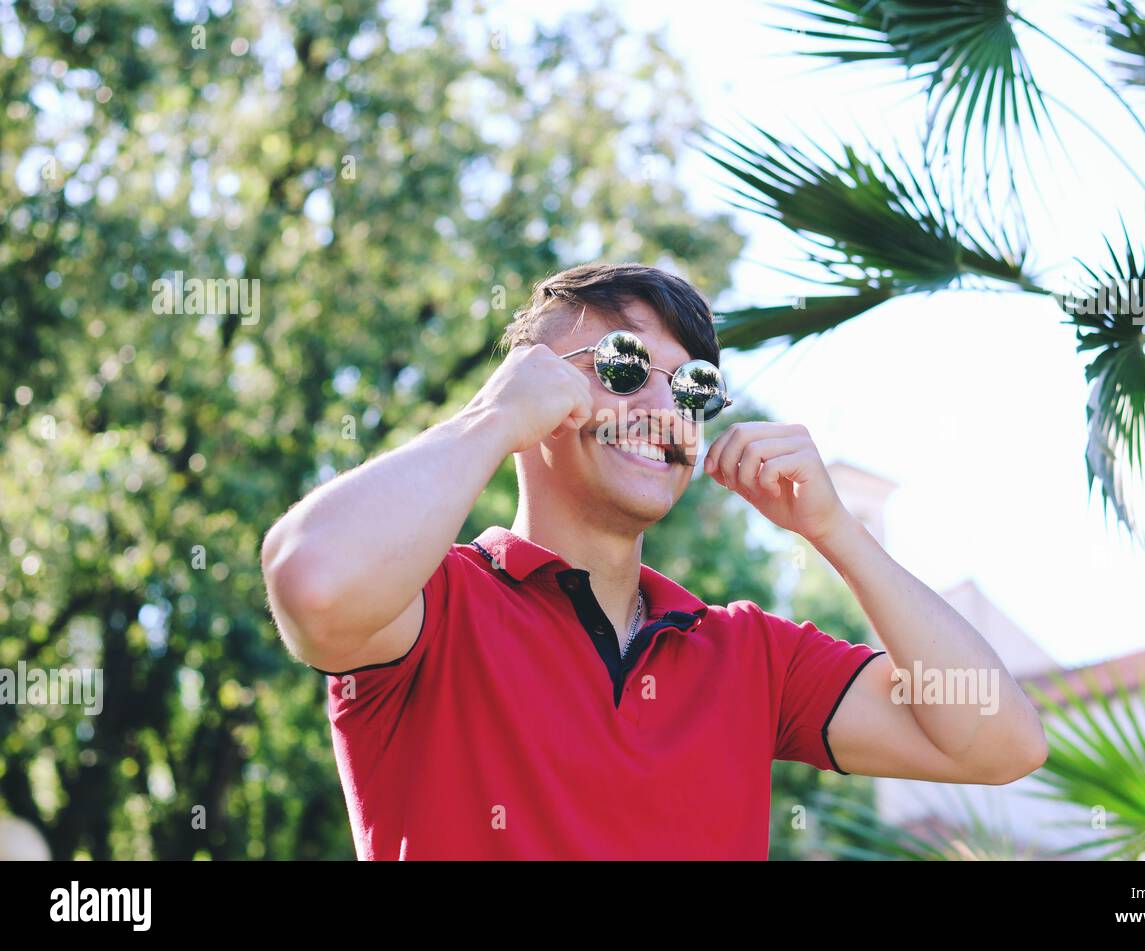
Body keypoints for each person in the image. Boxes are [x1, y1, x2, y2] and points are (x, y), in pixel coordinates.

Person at [261, 262, 1047, 860]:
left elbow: (1000, 740)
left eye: (693, 386)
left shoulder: (751, 655)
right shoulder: (435, 603)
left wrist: (835, 531)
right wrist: (490, 417)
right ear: (535, 390)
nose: (665, 410)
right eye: (623, 366)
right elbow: (314, 583)